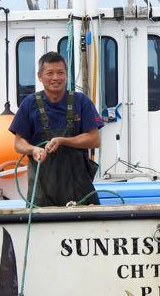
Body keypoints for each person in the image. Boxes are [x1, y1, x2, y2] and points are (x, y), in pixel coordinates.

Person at [9, 51, 104, 206]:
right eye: (49, 73)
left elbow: (94, 140)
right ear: (40, 76)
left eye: (60, 73)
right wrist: (33, 150)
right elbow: (18, 143)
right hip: (41, 192)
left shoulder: (81, 101)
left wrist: (62, 141)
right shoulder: (29, 103)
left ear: (66, 75)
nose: (55, 78)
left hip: (79, 189)